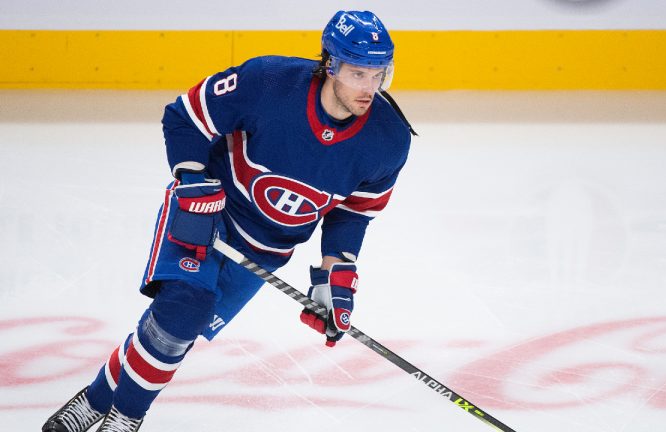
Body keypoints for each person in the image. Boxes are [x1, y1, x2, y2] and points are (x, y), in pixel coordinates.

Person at [42, 10, 414, 432]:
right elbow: (185, 116)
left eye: (379, 74)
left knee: (173, 333)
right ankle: (125, 419)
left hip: (267, 249)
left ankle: (95, 400)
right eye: (358, 74)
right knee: (182, 310)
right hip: (209, 214)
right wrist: (193, 179)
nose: (370, 88)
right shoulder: (269, 83)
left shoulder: (389, 139)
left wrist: (337, 272)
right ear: (330, 65)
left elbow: (352, 213)